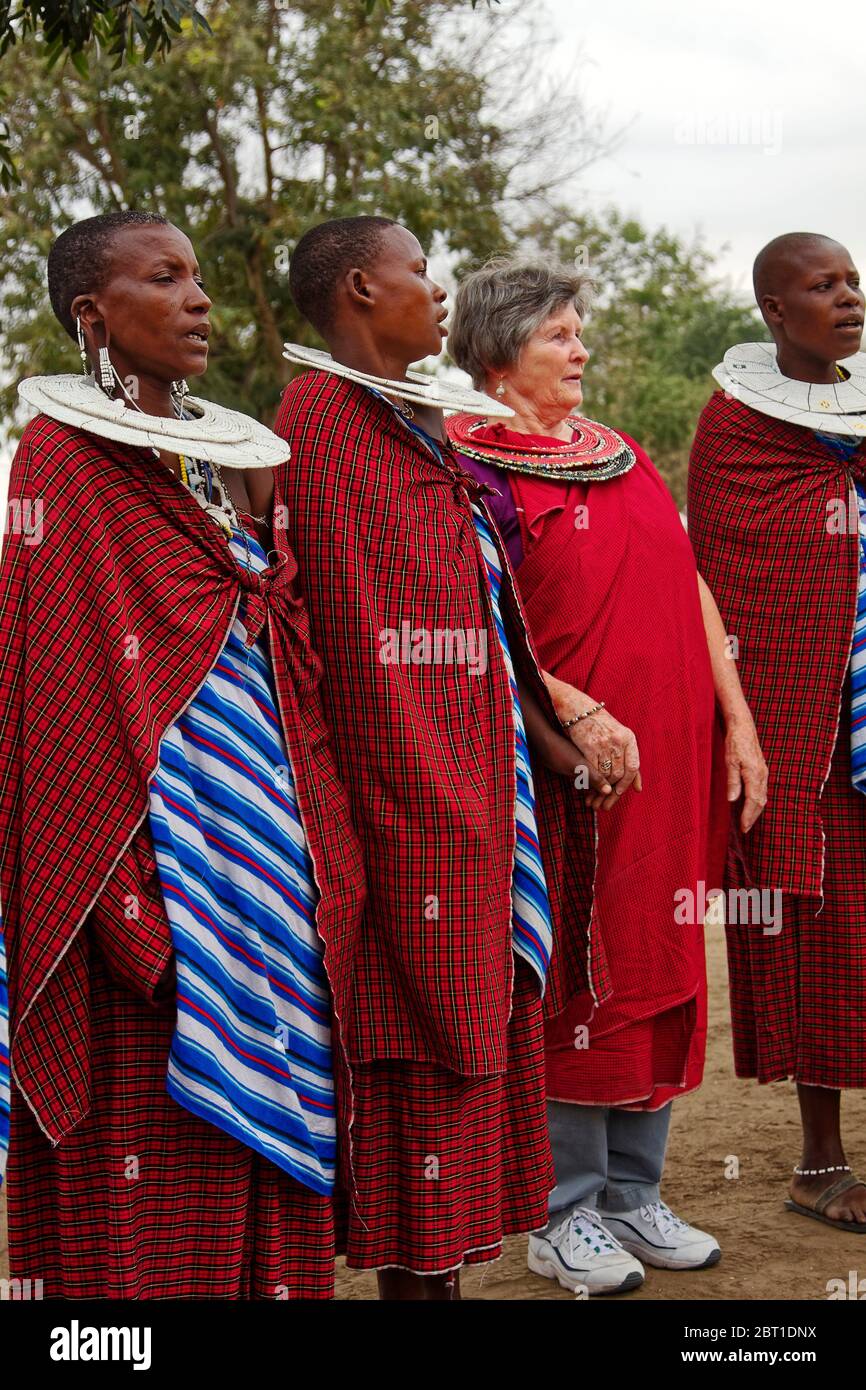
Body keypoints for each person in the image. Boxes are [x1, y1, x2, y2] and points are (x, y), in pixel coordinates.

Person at [0, 210, 366, 1298]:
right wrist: (128, 905)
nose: (199, 299)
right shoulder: (58, 465)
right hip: (144, 878)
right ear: (93, 314)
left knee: (267, 1155)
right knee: (146, 1177)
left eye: (198, 277)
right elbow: (54, 699)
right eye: (165, 279)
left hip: (267, 874)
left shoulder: (220, 466)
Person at [271, 216, 601, 1300]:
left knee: (465, 1050)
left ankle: (449, 1281)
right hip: (402, 797)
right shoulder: (320, 420)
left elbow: (470, 601)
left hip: (470, 778)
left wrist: (535, 742)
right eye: (418, 270)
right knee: (411, 1052)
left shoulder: (415, 420)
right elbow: (352, 641)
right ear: (362, 289)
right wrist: (428, 791)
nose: (437, 287)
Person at [445, 255, 767, 1294]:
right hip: (566, 768)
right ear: (497, 353)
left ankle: (634, 1195)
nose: (579, 350)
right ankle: (560, 1211)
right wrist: (571, 706)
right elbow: (470, 620)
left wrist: (736, 720)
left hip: (669, 761)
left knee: (660, 965)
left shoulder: (617, 452)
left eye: (579, 332)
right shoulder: (464, 467)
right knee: (578, 973)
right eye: (557, 335)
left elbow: (691, 586)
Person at [689, 231, 866, 1234]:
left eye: (850, 281)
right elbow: (729, 565)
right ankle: (816, 1160)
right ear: (770, 309)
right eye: (819, 285)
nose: (845, 298)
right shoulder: (733, 429)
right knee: (818, 929)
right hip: (805, 731)